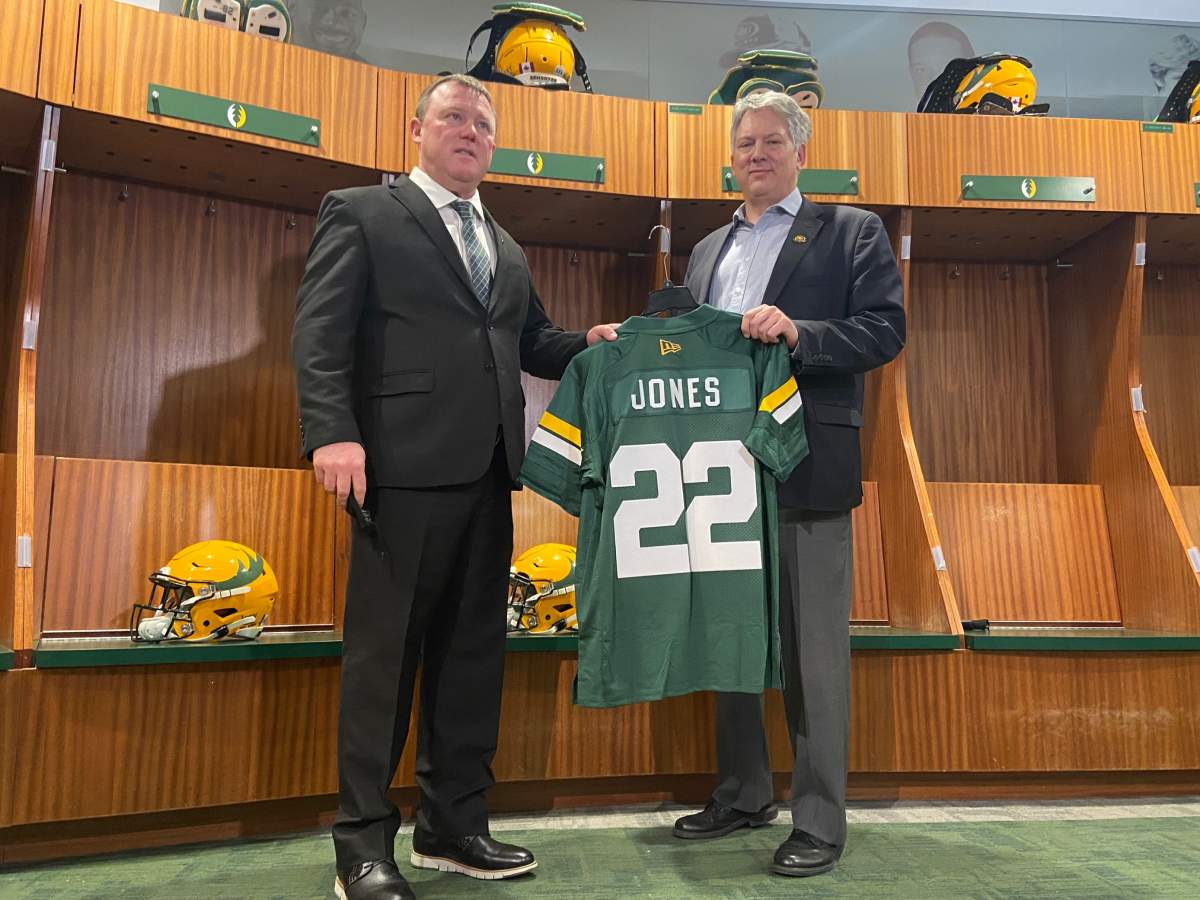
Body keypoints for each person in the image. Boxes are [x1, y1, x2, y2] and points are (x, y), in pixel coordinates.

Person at [292, 73, 618, 900]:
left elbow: (532, 341)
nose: (469, 130)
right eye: (454, 117)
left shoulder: (503, 244)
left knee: (473, 660)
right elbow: (319, 332)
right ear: (417, 128)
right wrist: (332, 431)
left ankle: (453, 826)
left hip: (489, 474)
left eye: (483, 122)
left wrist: (594, 341)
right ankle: (361, 848)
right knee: (383, 661)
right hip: (396, 472)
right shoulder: (361, 211)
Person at [671, 89, 904, 878]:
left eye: (772, 141)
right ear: (731, 158)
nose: (757, 154)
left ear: (801, 152)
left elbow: (885, 330)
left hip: (806, 468)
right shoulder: (705, 251)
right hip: (717, 477)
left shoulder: (850, 231)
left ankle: (819, 820)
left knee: (812, 658)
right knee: (731, 640)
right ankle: (742, 793)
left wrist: (801, 331)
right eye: (745, 144)